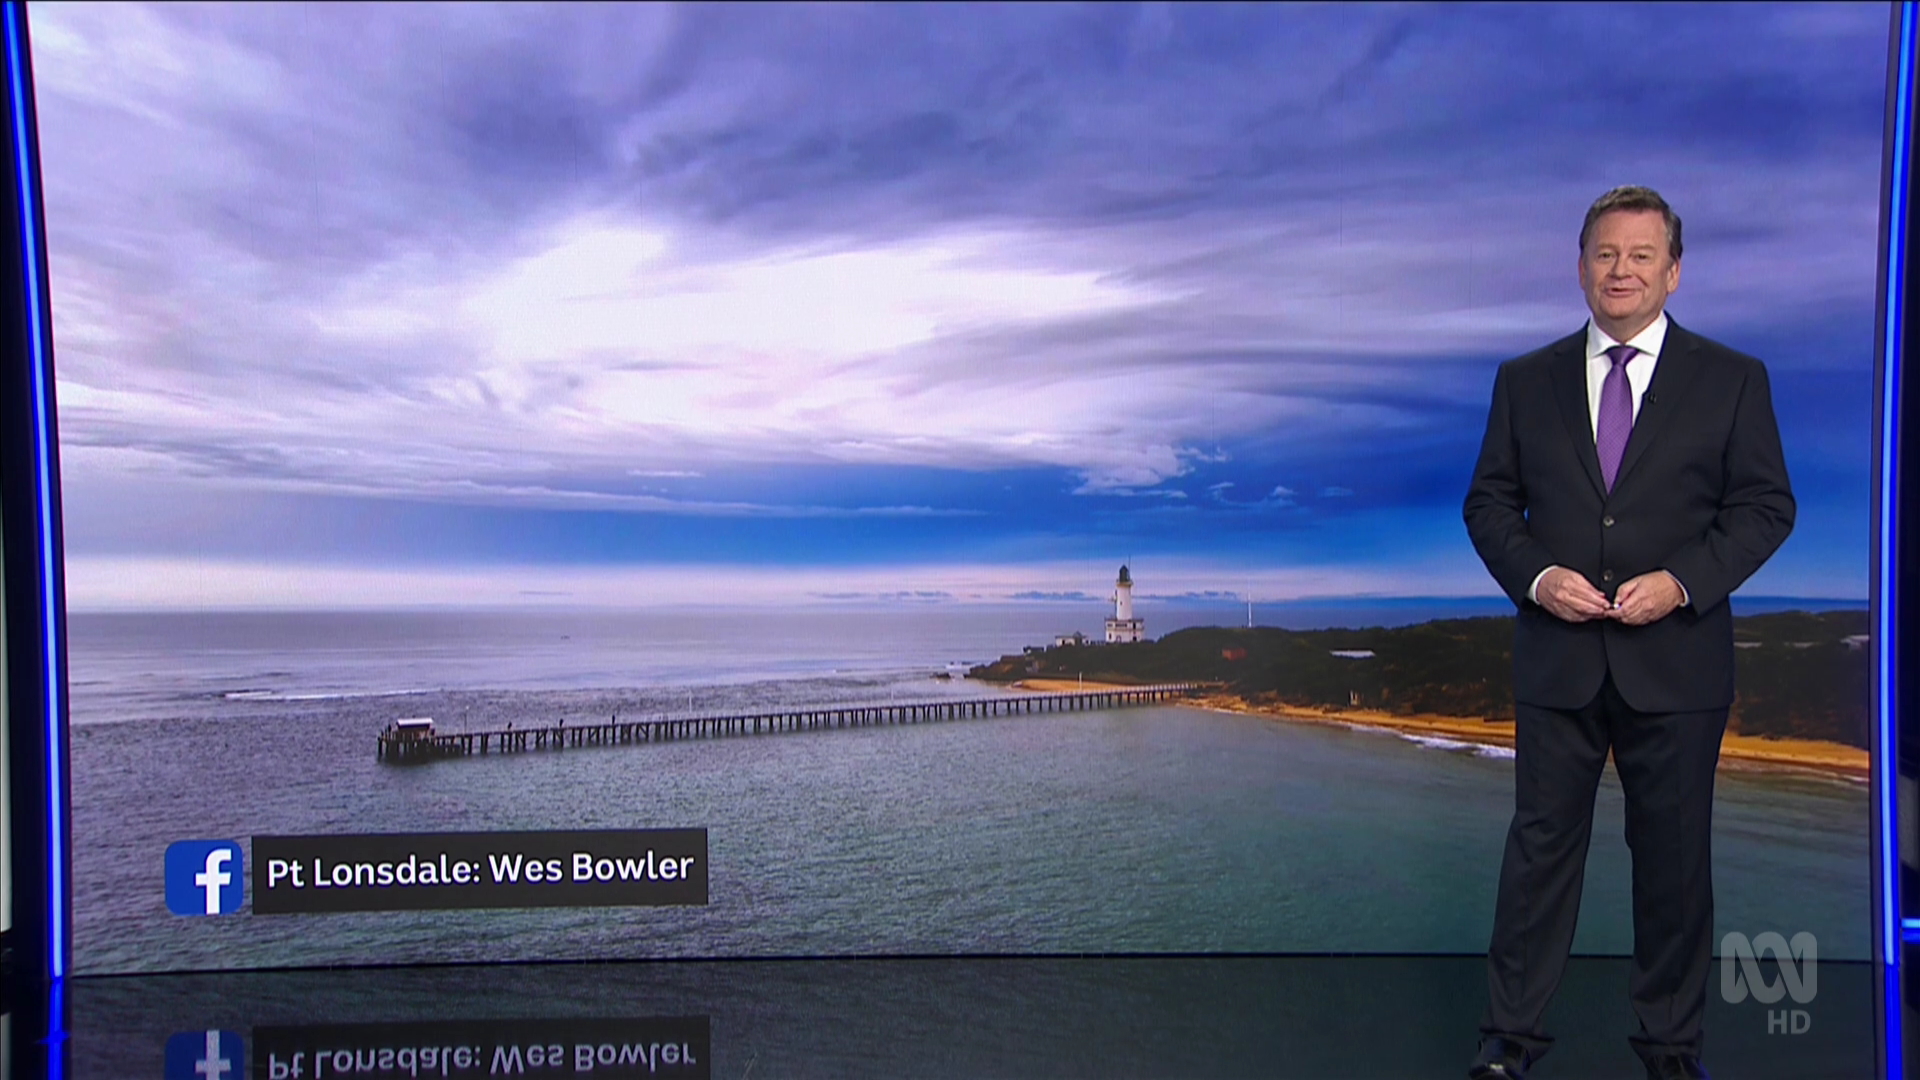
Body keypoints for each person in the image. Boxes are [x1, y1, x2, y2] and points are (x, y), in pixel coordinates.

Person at [1461, 186, 1795, 1080]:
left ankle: (1671, 1048)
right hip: (1558, 661)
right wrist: (1539, 577)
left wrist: (1683, 583)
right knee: (1538, 859)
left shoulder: (1732, 379)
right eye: (1606, 254)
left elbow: (1766, 507)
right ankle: (1509, 1041)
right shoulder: (1523, 381)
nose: (1622, 271)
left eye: (1642, 255)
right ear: (1580, 268)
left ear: (1673, 272)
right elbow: (1489, 504)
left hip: (1678, 665)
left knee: (1676, 868)